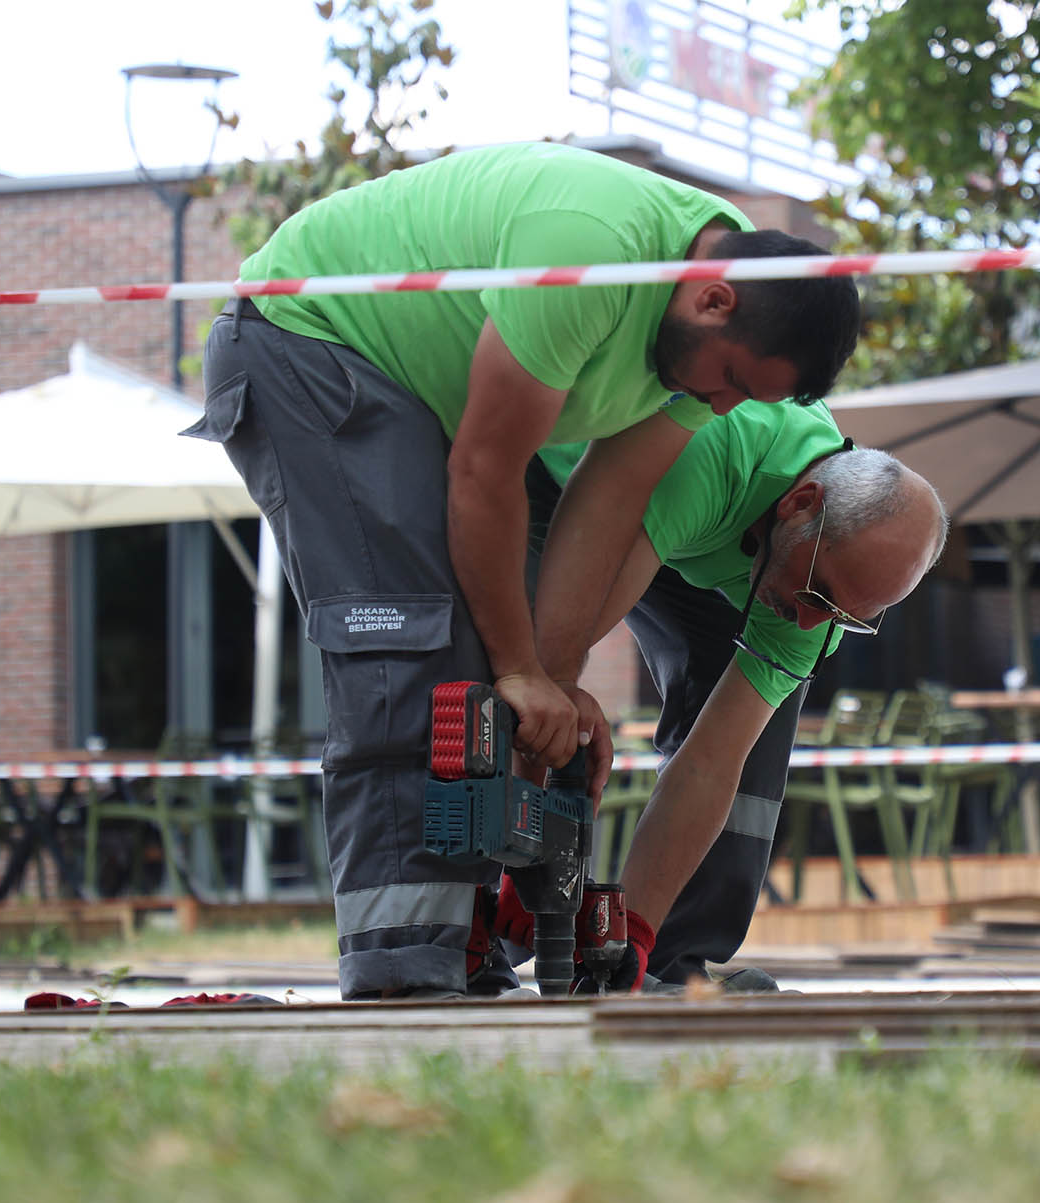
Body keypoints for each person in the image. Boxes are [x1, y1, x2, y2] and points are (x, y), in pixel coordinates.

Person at [181, 141, 860, 999]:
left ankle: (460, 951)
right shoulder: (594, 256)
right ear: (713, 300)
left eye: (740, 398)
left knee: (481, 667)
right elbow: (485, 468)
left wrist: (550, 680)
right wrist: (517, 669)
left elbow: (605, 506)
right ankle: (405, 965)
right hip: (307, 344)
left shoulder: (699, 336)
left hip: (409, 391)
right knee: (413, 641)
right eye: (728, 381)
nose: (722, 407)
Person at [493, 399, 948, 990]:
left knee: (754, 736)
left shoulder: (821, 593)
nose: (814, 624)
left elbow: (712, 761)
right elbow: (553, 671)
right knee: (519, 678)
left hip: (719, 543)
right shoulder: (716, 451)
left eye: (845, 617)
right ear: (800, 504)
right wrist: (526, 849)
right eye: (820, 596)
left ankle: (660, 957)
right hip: (572, 480)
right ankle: (473, 936)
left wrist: (632, 935)